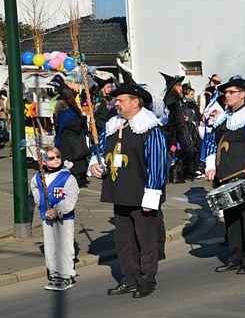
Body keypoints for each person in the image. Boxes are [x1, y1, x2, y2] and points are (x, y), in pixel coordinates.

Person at [89, 82, 168, 298]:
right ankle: (130, 278)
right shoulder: (113, 125)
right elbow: (103, 152)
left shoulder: (150, 128)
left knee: (146, 239)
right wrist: (95, 164)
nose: (116, 103)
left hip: (143, 193)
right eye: (116, 100)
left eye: (121, 100)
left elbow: (158, 163)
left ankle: (147, 279)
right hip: (119, 191)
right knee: (123, 242)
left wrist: (152, 195)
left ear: (135, 102)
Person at [202, 76, 245, 275]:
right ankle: (234, 257)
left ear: (243, 94)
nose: (227, 96)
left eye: (231, 92)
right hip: (224, 174)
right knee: (230, 217)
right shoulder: (223, 117)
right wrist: (211, 165)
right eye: (226, 92)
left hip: (244, 174)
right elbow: (212, 143)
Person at [30, 146, 79, 291]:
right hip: (47, 218)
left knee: (64, 246)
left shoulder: (67, 177)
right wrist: (40, 203)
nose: (56, 160)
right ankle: (54, 274)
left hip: (64, 218)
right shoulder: (38, 177)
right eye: (51, 158)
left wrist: (58, 210)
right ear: (43, 162)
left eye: (58, 156)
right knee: (51, 246)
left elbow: (71, 198)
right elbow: (34, 189)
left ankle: (67, 276)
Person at [162, 72, 197, 182]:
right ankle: (171, 174)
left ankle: (177, 173)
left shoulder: (176, 98)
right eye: (178, 85)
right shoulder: (171, 99)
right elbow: (174, 118)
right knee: (175, 151)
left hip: (178, 131)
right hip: (175, 132)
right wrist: (180, 131)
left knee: (179, 151)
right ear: (173, 87)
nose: (181, 87)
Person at [54, 86, 90, 187]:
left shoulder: (66, 112)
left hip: (68, 141)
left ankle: (72, 180)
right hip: (74, 139)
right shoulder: (74, 110)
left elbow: (61, 125)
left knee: (70, 160)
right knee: (74, 160)